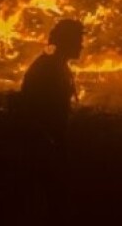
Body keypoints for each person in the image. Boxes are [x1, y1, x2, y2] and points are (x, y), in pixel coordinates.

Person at [18, 19, 83, 219]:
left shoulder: (54, 64)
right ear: (65, 41)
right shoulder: (49, 68)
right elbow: (40, 111)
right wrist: (52, 146)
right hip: (42, 148)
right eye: (78, 40)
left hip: (47, 147)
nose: (81, 45)